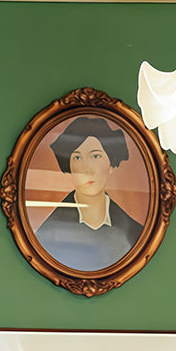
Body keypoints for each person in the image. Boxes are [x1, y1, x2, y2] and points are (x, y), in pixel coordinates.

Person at [34, 116, 144, 271]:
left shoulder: (135, 233)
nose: (87, 169)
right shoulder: (45, 236)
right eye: (77, 157)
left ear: (111, 165)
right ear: (69, 167)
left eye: (95, 156)